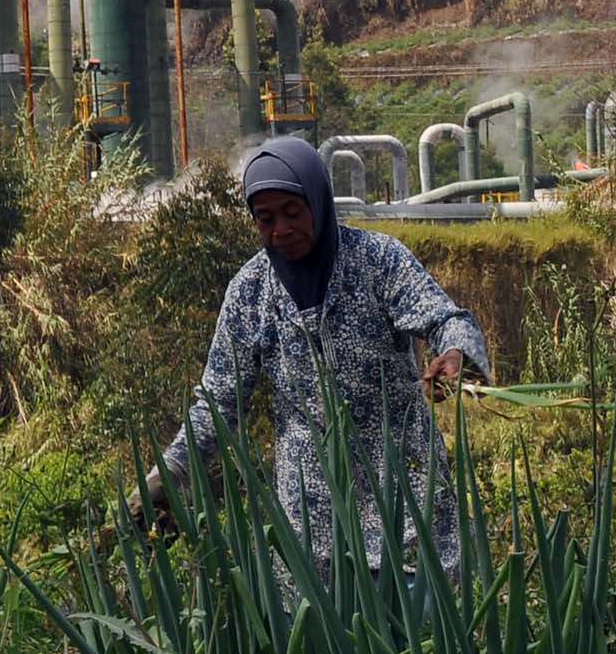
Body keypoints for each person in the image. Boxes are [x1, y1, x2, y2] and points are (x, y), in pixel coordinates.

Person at [145, 136, 489, 577]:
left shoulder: (378, 261)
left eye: (293, 212)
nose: (280, 230)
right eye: (264, 218)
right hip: (313, 514)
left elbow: (445, 319)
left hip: (405, 487)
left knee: (421, 633)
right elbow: (219, 402)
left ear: (319, 200)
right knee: (329, 637)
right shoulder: (250, 292)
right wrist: (168, 472)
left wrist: (455, 353)